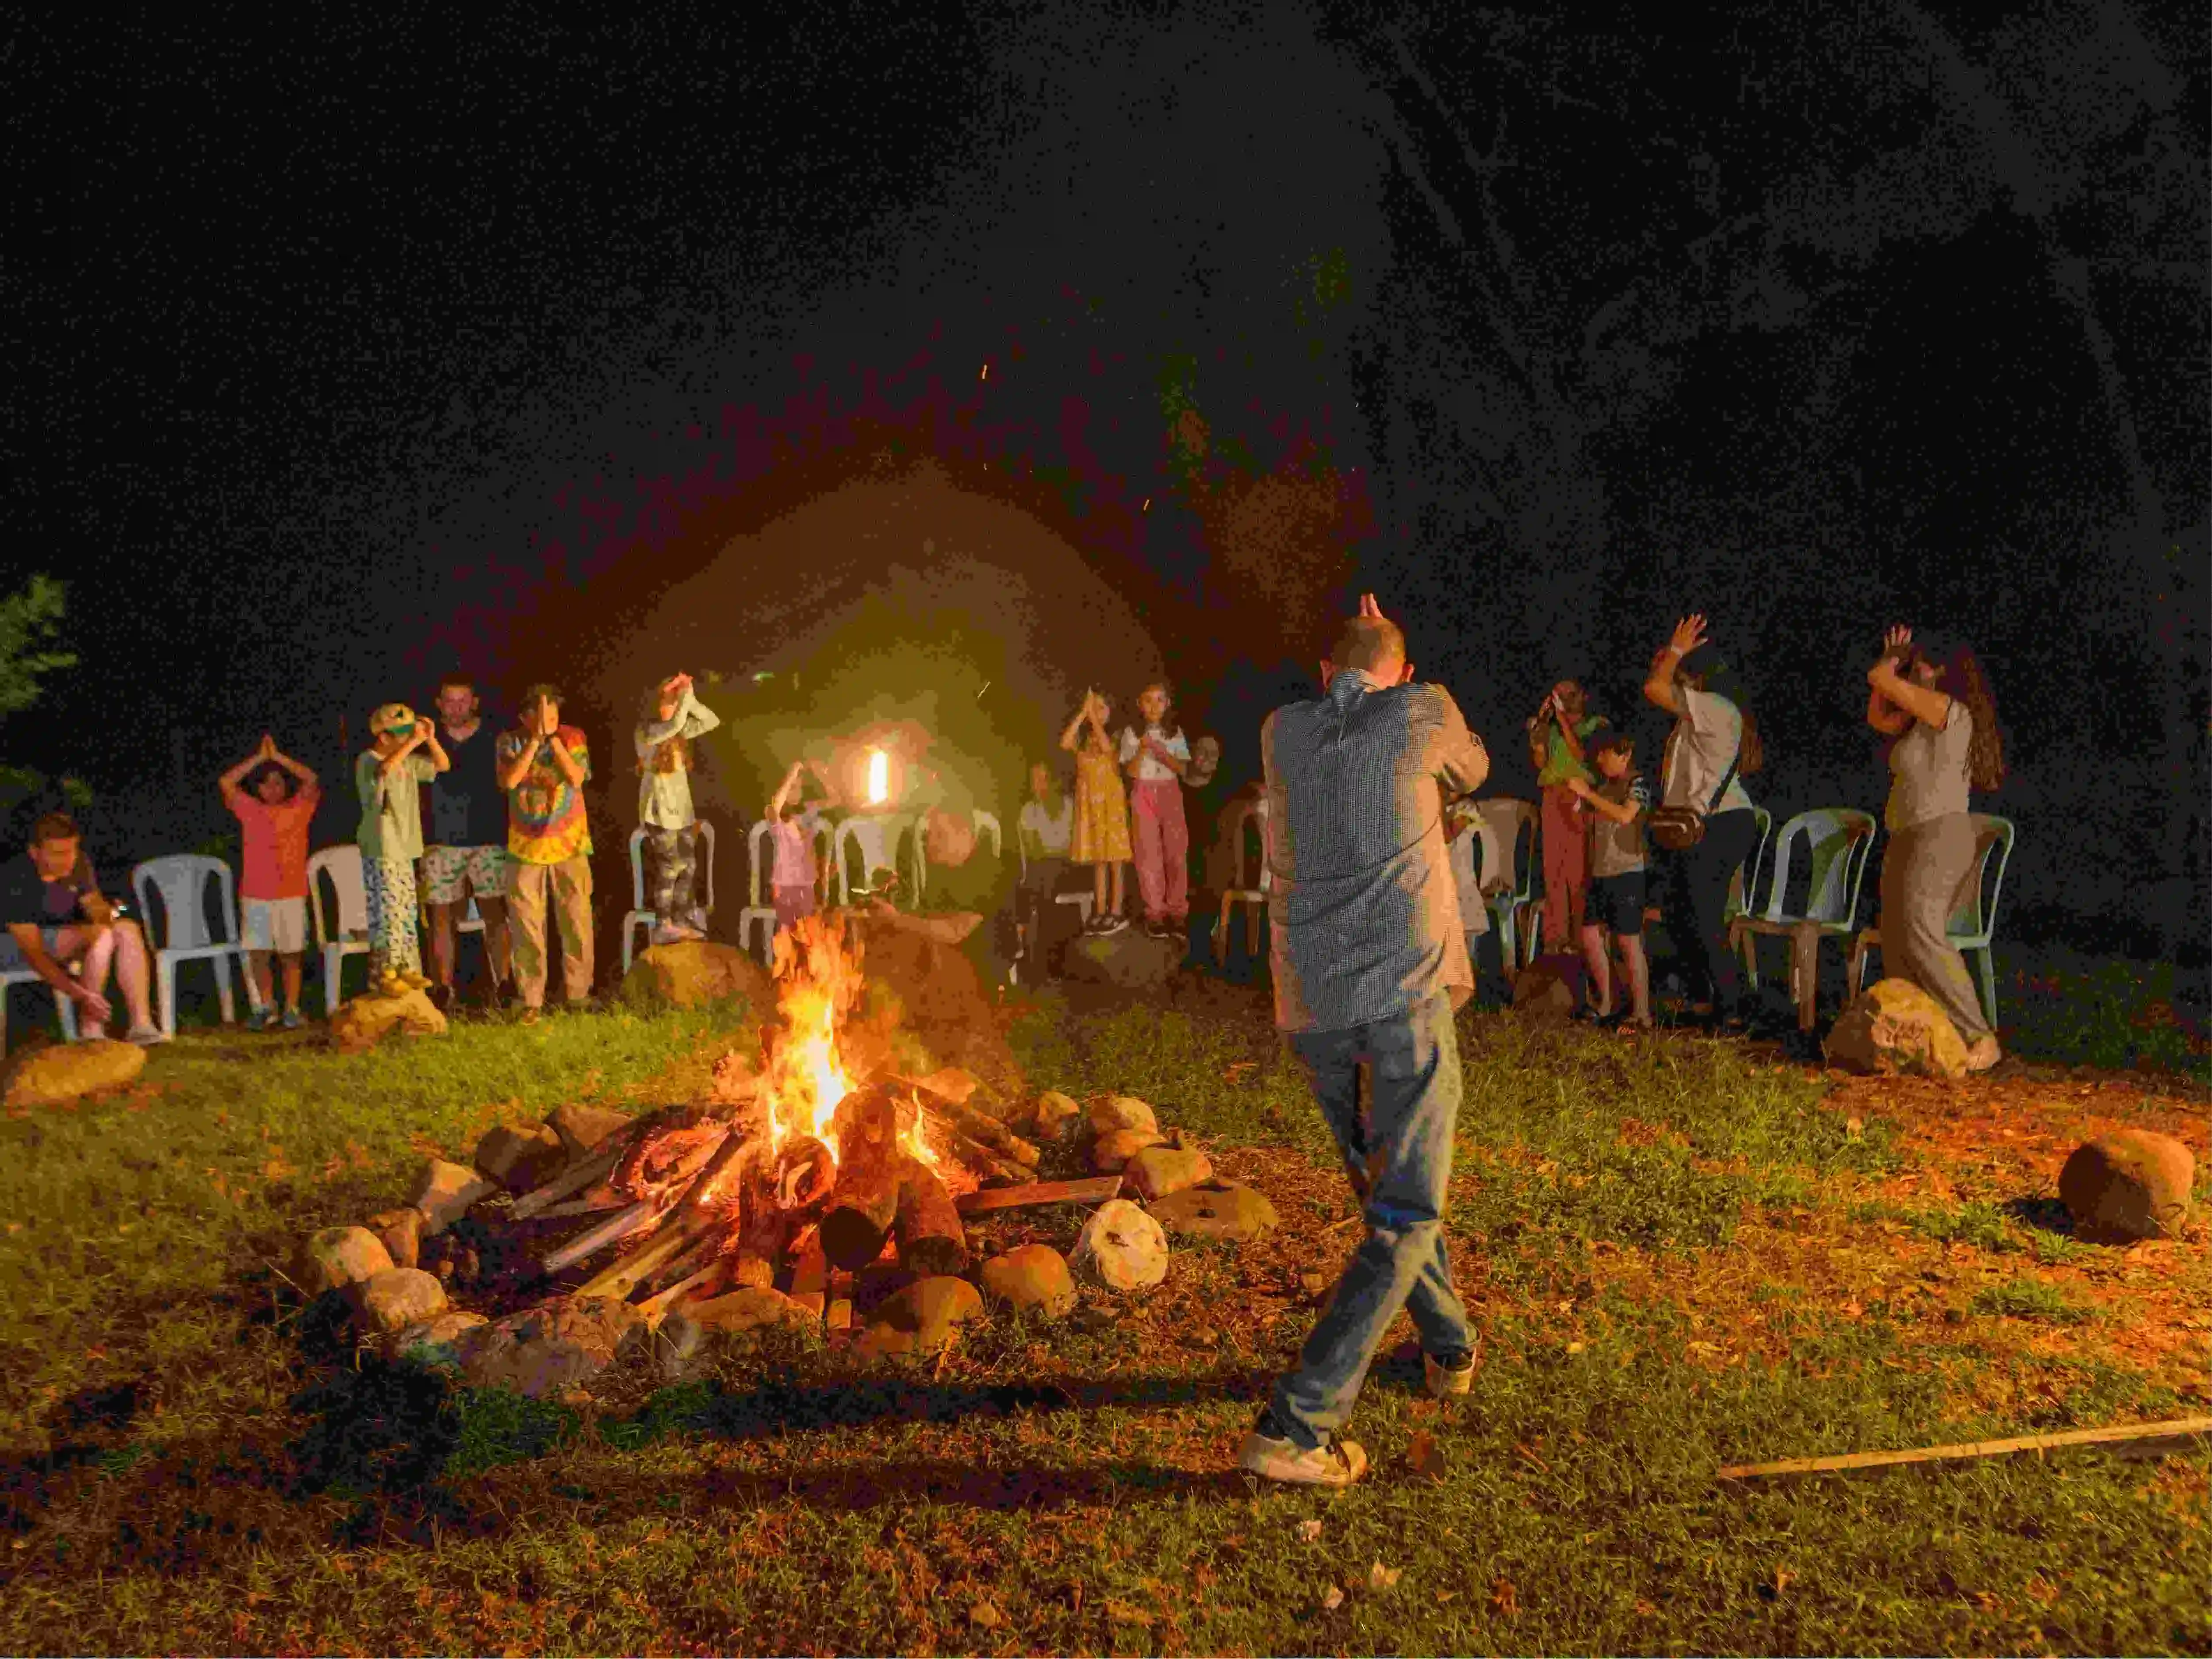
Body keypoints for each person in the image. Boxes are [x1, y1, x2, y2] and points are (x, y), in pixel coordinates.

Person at [1242, 594, 1490, 1488]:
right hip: (1400, 995)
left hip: (1312, 1007)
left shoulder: (1281, 730)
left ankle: (1448, 1347)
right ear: (1406, 674)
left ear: (1320, 675)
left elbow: (1351, 713)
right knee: (1404, 1211)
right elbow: (1472, 766)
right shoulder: (1423, 711)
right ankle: (1297, 1427)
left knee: (1389, 1196)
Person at [1865, 625, 2006, 1072]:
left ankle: (1979, 1034)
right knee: (1897, 941)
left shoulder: (1950, 710)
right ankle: (1916, 1037)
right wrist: (1892, 662)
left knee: (1923, 930)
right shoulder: (1913, 723)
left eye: (1921, 662)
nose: (1914, 669)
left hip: (1941, 833)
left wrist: (1890, 660)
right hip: (1905, 834)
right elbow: (1878, 714)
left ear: (1944, 670)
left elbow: (1882, 679)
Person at [1641, 614, 1763, 1030]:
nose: (1665, 667)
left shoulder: (1716, 708)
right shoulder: (1694, 715)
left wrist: (1674, 650)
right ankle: (1704, 1000)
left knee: (1703, 913)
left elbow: (1654, 687)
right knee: (1677, 912)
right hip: (1696, 823)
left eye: (1676, 665)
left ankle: (1733, 1007)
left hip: (1723, 822)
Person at [0, 812, 165, 1043]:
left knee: (126, 930)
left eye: (71, 851)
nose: (67, 859)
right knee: (100, 935)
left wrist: (109, 913)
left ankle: (142, 1025)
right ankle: (91, 1029)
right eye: (57, 853)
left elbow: (95, 907)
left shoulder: (78, 864)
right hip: (12, 948)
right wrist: (81, 995)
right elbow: (34, 955)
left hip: (63, 939)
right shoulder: (14, 879)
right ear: (34, 852)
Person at [495, 684, 593, 1020]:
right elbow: (510, 782)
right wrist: (535, 741)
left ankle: (578, 994)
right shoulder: (510, 741)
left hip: (570, 842)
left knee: (576, 919)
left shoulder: (573, 737)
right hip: (525, 847)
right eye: (541, 716)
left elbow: (577, 777)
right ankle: (531, 999)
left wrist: (552, 739)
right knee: (526, 925)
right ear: (525, 717)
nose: (550, 721)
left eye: (554, 715)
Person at [422, 674, 513, 1011]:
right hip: (441, 840)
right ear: (439, 704)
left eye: (463, 700)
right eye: (449, 700)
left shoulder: (495, 736)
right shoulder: (426, 739)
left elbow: (508, 780)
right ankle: (443, 989)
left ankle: (504, 984)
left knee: (495, 912)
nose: (456, 707)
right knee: (442, 916)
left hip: (488, 837)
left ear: (474, 702)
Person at [219, 734, 320, 1029]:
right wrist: (260, 759)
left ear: (286, 786)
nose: (272, 788)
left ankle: (292, 1008)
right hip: (256, 893)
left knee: (291, 954)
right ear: (258, 787)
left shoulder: (300, 807)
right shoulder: (250, 809)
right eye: (266, 783)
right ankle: (265, 1006)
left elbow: (311, 778)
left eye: (278, 782)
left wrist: (279, 758)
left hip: (290, 891)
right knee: (259, 953)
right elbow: (227, 782)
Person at [356, 703, 449, 982]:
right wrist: (413, 743)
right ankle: (388, 972)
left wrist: (430, 739)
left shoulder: (407, 760)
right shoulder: (368, 760)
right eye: (402, 734)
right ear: (384, 737)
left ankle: (407, 970)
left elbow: (443, 765)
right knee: (388, 913)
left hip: (406, 846)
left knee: (407, 911)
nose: (410, 738)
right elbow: (384, 770)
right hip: (383, 846)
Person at [1568, 730, 1654, 1030]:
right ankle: (1606, 1002)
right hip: (1601, 872)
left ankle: (1642, 1012)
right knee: (1589, 935)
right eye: (1599, 754)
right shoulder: (1604, 787)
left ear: (1625, 754)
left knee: (1628, 941)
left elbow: (1625, 816)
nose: (1600, 760)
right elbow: (1589, 826)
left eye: (1607, 754)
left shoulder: (1638, 784)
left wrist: (1588, 795)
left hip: (1628, 871)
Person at [635, 671, 722, 945]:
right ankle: (664, 923)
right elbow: (672, 725)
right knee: (670, 865)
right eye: (668, 701)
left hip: (683, 812)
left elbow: (712, 721)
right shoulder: (647, 733)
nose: (673, 706)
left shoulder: (680, 732)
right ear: (655, 705)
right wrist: (683, 698)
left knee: (689, 865)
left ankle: (682, 920)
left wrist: (690, 697)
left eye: (674, 702)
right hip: (658, 812)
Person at [1526, 678, 1605, 958]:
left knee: (1578, 870)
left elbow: (1583, 755)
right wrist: (1538, 736)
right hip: (1552, 796)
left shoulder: (1596, 725)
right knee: (1554, 871)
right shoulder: (1555, 730)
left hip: (1579, 796)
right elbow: (1541, 763)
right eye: (1557, 695)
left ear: (1583, 696)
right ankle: (1556, 941)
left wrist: (1560, 719)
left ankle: (1580, 940)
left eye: (1569, 695)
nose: (1563, 699)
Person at [1119, 680, 1193, 941]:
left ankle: (1177, 912)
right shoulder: (1132, 732)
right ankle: (1155, 914)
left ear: (1168, 704)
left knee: (1176, 852)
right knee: (1148, 854)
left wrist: (1161, 753)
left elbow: (1184, 769)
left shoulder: (1174, 733)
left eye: (1159, 700)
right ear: (1140, 705)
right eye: (1148, 700)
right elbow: (1129, 771)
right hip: (1143, 792)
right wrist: (1142, 749)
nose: (1154, 706)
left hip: (1170, 791)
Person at [1060, 689, 1131, 934]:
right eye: (1094, 706)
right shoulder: (1083, 739)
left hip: (1110, 805)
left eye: (1102, 708)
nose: (1096, 712)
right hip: (1090, 805)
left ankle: (1116, 911)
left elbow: (1107, 749)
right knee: (1099, 862)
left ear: (1111, 713)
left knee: (1115, 861)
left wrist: (1094, 716)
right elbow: (1065, 742)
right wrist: (1083, 714)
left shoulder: (1115, 736)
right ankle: (1100, 911)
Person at [1014, 759, 1075, 973]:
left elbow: (1080, 848)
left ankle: (1050, 956)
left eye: (1044, 779)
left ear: (1056, 781)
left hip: (1071, 870)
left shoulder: (1071, 807)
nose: (1039, 786)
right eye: (1034, 781)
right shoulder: (1029, 811)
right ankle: (1050, 957)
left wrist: (1065, 855)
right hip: (1043, 873)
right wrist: (1063, 854)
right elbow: (1035, 852)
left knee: (1045, 879)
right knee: (1043, 876)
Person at [765, 758, 836, 934]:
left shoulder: (809, 809)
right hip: (785, 885)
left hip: (808, 882)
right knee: (790, 930)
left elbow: (836, 799)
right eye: (792, 788)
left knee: (809, 929)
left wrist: (822, 775)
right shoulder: (776, 817)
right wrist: (792, 774)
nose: (797, 792)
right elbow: (776, 805)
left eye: (800, 788)